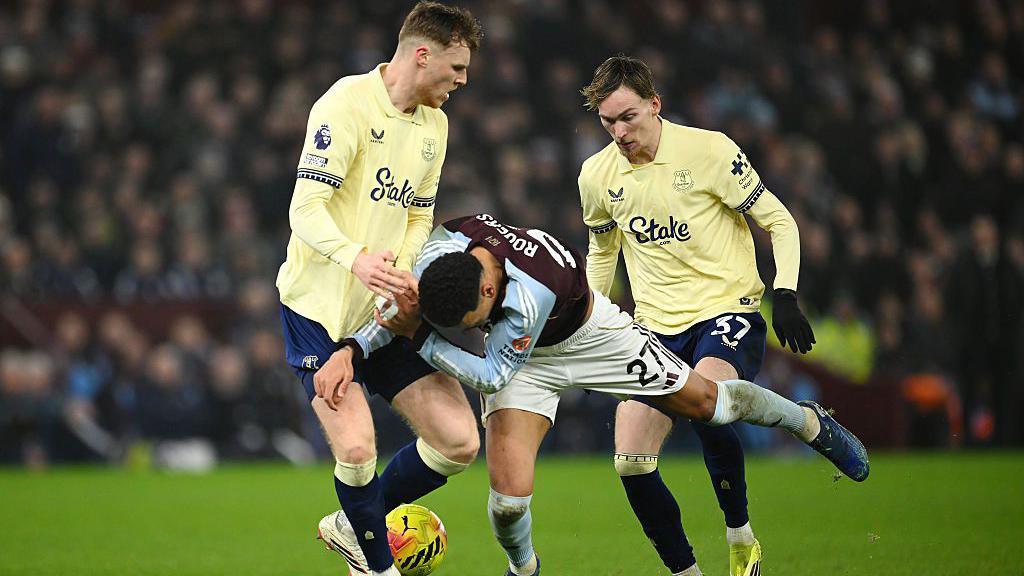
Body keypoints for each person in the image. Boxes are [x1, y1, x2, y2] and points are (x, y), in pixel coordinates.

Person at [335, 214, 868, 576]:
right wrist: (354, 351)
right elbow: (398, 315)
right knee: (507, 501)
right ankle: (525, 570)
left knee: (711, 403)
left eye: (470, 321)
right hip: (527, 363)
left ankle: (805, 421)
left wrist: (422, 339)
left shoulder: (527, 296)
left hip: (595, 340)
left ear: (489, 291)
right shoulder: (439, 259)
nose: (467, 326)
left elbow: (494, 373)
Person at [578, 55, 817, 576]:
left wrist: (787, 293)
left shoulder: (709, 151)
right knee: (629, 462)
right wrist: (589, 320)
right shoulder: (596, 175)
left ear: (655, 104)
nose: (619, 132)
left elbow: (778, 220)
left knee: (707, 405)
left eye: (628, 117)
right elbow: (602, 252)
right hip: (654, 326)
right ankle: (686, 572)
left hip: (725, 310)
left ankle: (740, 537)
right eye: (607, 121)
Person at [275, 4, 482, 575]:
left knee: (459, 441)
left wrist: (402, 271)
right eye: (457, 66)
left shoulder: (435, 125)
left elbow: (419, 214)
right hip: (318, 310)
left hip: (383, 314)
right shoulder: (344, 104)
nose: (463, 80)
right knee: (359, 450)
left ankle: (354, 521)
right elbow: (305, 208)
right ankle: (377, 565)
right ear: (423, 54)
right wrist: (358, 259)